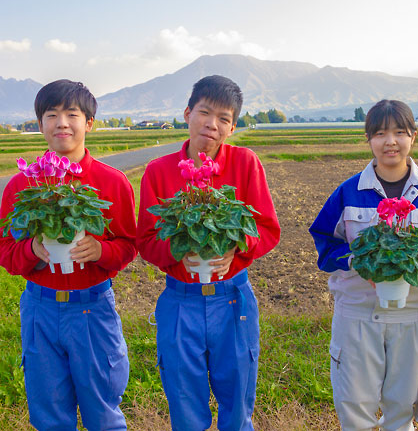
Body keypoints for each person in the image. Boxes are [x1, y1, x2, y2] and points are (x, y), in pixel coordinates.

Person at [136, 75, 280, 431]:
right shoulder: (158, 171)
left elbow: (268, 228)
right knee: (185, 405)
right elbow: (146, 240)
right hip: (180, 298)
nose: (212, 124)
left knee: (237, 405)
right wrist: (175, 254)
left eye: (225, 119)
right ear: (188, 113)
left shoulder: (245, 164)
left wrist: (237, 249)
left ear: (232, 127)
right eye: (205, 112)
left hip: (232, 298)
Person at [309, 99, 418, 430]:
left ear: (413, 137)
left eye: (399, 132)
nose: (390, 141)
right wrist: (358, 261)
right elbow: (325, 242)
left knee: (403, 408)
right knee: (354, 407)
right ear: (369, 140)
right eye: (379, 133)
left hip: (411, 315)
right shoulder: (350, 191)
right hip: (357, 315)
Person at [0, 80, 137, 430]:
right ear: (40, 124)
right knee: (49, 414)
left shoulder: (111, 181)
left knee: (103, 412)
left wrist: (101, 250)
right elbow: (5, 249)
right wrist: (30, 249)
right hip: (40, 307)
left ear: (88, 123)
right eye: (51, 114)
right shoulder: (21, 185)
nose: (62, 122)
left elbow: (128, 244)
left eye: (72, 114)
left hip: (91, 307)